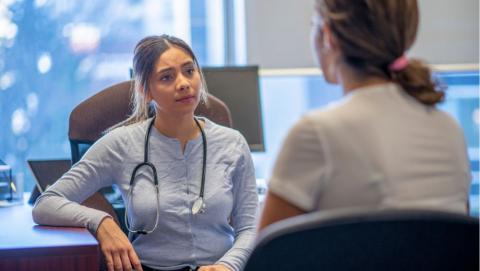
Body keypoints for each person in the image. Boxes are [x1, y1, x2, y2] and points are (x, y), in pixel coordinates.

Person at [33, 35, 258, 271]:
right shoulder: (121, 144)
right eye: (167, 77)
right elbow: (46, 204)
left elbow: (249, 228)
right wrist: (101, 222)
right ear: (145, 90)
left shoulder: (232, 144)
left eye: (189, 71)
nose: (183, 83)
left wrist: (228, 265)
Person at [259, 0, 471, 231]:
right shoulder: (450, 128)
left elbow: (265, 258)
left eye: (313, 24)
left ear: (328, 35)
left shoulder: (317, 132)